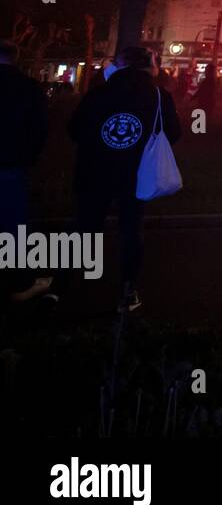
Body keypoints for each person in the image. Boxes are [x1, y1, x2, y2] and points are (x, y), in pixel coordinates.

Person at [64, 46, 181, 312]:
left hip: (94, 172)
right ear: (148, 66)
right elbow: (173, 133)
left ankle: (67, 286)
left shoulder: (98, 94)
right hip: (135, 174)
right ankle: (127, 291)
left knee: (85, 225)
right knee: (131, 229)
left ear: (120, 65)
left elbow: (74, 130)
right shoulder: (159, 97)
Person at [0, 41, 50, 304]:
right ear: (15, 58)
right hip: (12, 166)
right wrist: (29, 159)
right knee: (13, 227)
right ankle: (19, 283)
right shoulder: (29, 88)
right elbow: (40, 129)